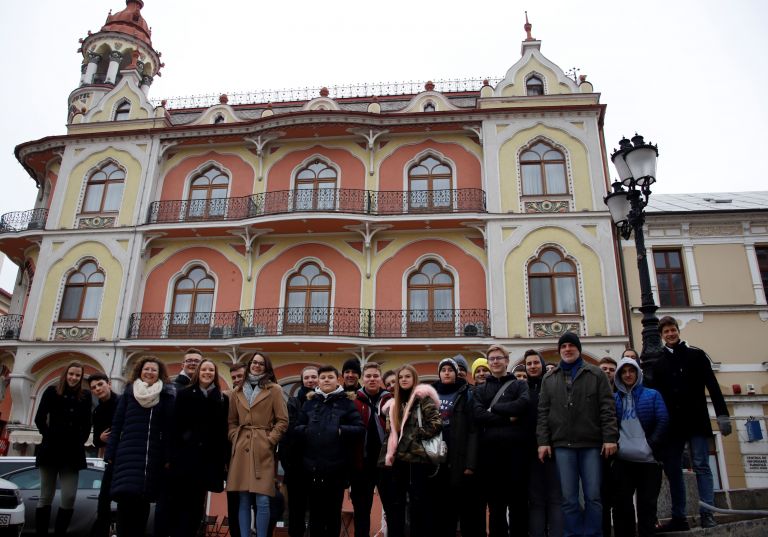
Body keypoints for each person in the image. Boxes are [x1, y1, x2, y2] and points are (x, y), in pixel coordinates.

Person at [650, 316, 731, 530]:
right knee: (673, 469)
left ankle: (707, 513)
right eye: (666, 332)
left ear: (678, 331)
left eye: (673, 330)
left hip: (697, 421)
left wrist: (722, 415)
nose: (670, 334)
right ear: (661, 336)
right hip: (673, 426)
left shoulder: (697, 356)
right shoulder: (659, 363)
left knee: (702, 465)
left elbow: (713, 386)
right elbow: (656, 398)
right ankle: (679, 516)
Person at [537, 332, 618, 537]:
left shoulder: (596, 374)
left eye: (571, 345)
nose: (567, 349)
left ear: (578, 349)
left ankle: (593, 534)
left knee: (593, 496)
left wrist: (610, 438)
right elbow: (543, 412)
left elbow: (607, 408)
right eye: (563, 346)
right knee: (569, 498)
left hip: (591, 444)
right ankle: (572, 534)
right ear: (559, 350)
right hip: (563, 445)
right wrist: (543, 442)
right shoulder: (549, 377)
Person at [106, 357, 175, 537]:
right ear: (140, 371)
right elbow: (117, 424)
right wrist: (110, 452)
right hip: (127, 456)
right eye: (147, 369)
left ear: (159, 374)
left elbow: (168, 429)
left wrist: (167, 457)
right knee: (125, 502)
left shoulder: (165, 395)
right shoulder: (129, 393)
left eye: (154, 370)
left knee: (143, 504)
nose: (150, 373)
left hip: (151, 458)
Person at [295, 365, 364, 537]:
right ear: (318, 381)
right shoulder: (310, 403)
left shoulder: (347, 403)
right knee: (315, 517)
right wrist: (307, 430)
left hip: (337, 469)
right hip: (312, 469)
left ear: (337, 380)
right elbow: (296, 427)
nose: (326, 380)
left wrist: (340, 430)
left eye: (330, 377)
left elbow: (359, 428)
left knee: (333, 515)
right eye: (323, 377)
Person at [227, 352, 289, 537]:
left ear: (266, 368)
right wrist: (234, 438)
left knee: (263, 499)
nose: (256, 366)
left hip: (262, 447)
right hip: (241, 448)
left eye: (261, 364)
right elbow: (231, 421)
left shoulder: (275, 389)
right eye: (254, 362)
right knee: (243, 499)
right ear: (249, 365)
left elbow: (283, 421)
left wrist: (269, 440)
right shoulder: (237, 392)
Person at [473, 344, 530, 537]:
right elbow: (479, 414)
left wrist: (495, 409)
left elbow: (522, 405)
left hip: (516, 454)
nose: (495, 361)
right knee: (496, 506)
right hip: (490, 455)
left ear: (507, 361)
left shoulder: (520, 384)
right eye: (492, 359)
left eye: (499, 358)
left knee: (518, 505)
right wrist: (507, 417)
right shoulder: (481, 389)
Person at [169, 359, 229, 537]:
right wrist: (175, 453)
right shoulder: (185, 394)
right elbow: (175, 426)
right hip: (186, 458)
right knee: (180, 502)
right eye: (204, 369)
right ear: (198, 372)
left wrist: (223, 460)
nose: (207, 373)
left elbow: (223, 431)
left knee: (197, 503)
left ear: (215, 373)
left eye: (211, 370)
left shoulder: (221, 398)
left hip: (208, 461)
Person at [34, 361, 92, 537]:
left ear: (81, 377)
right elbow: (39, 418)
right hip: (50, 450)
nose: (73, 378)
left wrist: (78, 441)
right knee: (45, 495)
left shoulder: (86, 396)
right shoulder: (51, 392)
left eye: (77, 375)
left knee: (69, 497)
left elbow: (87, 423)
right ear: (65, 374)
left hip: (72, 452)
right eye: (71, 374)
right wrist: (49, 436)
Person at [613, 357, 669, 537]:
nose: (628, 375)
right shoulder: (614, 399)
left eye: (631, 371)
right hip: (623, 460)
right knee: (622, 507)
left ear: (638, 373)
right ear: (619, 375)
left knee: (647, 507)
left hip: (649, 461)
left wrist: (650, 445)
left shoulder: (652, 395)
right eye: (624, 371)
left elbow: (663, 420)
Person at [384, 365, 442, 537]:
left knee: (419, 505)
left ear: (414, 378)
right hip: (398, 460)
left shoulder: (423, 399)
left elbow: (436, 423)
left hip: (417, 460)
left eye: (407, 376)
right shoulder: (395, 403)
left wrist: (413, 436)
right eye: (400, 377)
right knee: (397, 505)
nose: (403, 379)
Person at [431, 357, 481, 537]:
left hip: (458, 457)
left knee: (462, 506)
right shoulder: (431, 393)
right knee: (441, 507)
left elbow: (473, 430)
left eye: (450, 370)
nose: (446, 373)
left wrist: (470, 463)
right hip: (436, 458)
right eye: (443, 370)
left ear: (456, 373)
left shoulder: (467, 393)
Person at [524, 350, 563, 537]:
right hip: (530, 451)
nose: (532, 366)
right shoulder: (521, 388)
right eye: (529, 363)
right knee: (536, 500)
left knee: (556, 498)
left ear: (542, 365)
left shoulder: (554, 386)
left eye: (536, 363)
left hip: (553, 449)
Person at [351, 362, 392, 537]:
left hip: (387, 465)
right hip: (362, 464)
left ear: (380, 378)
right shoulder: (353, 401)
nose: (372, 379)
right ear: (362, 379)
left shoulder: (390, 399)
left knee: (392, 509)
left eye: (375, 376)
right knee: (361, 511)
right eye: (368, 376)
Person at [280, 365, 319, 537]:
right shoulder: (293, 402)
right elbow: (289, 433)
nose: (310, 380)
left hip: (319, 466)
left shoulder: (324, 401)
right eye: (307, 377)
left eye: (313, 377)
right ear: (302, 380)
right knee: (296, 511)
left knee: (317, 512)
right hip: (296, 466)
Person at [89, 373, 119, 537]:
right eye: (94, 387)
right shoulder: (97, 411)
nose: (98, 389)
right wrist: (100, 438)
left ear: (109, 384)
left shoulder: (122, 401)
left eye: (100, 384)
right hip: (111, 459)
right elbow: (96, 441)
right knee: (103, 501)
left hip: (125, 458)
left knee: (125, 499)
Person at [225, 362, 247, 537]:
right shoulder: (227, 397)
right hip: (232, 456)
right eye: (234, 377)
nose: (237, 380)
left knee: (259, 501)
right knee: (234, 502)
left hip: (257, 455)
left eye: (240, 376)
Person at [597, 356, 618, 536]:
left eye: (611, 369)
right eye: (604, 368)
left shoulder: (622, 393)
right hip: (600, 450)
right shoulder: (594, 392)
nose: (607, 372)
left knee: (620, 498)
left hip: (623, 451)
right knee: (601, 496)